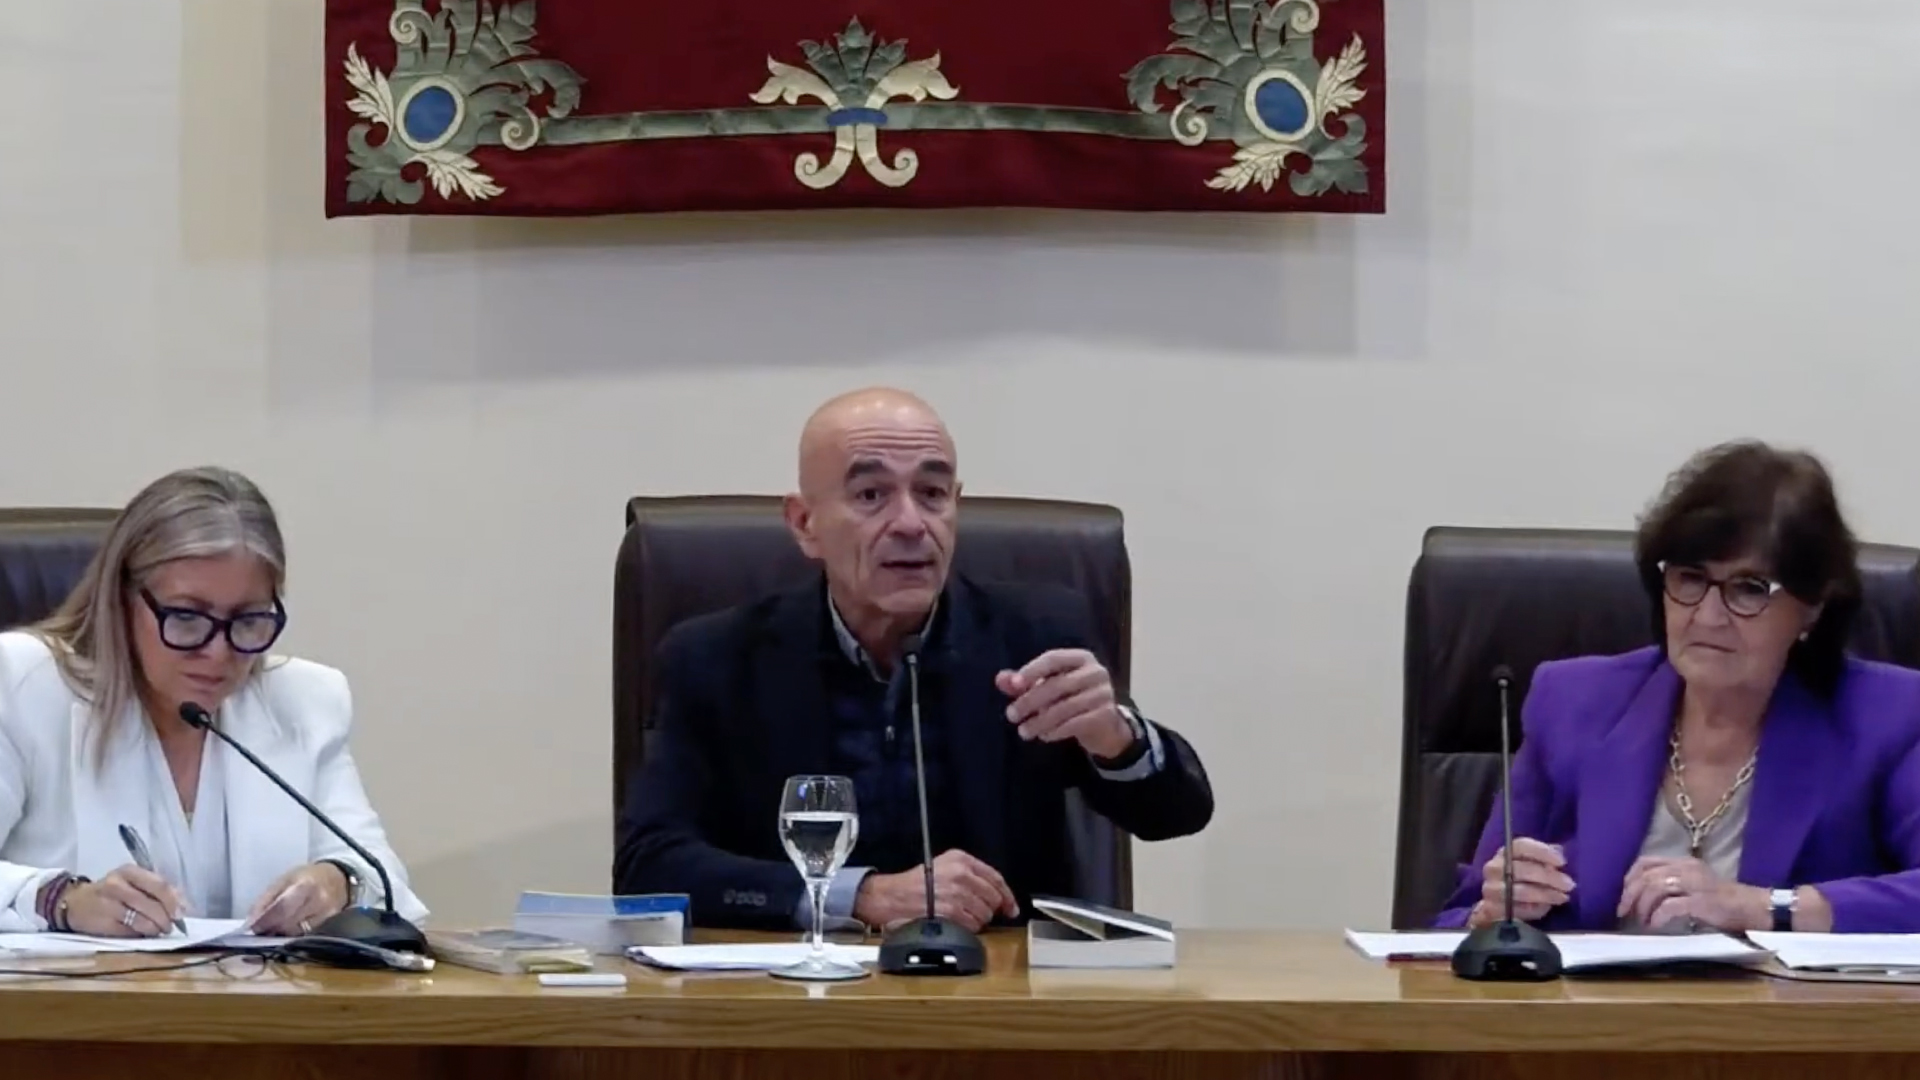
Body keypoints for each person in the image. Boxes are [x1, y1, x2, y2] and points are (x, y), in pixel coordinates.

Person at [615, 388, 1213, 930]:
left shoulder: (1035, 635)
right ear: (805, 524)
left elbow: (1178, 814)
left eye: (931, 494)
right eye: (870, 495)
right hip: (795, 992)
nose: (910, 524)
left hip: (1002, 990)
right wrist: (861, 896)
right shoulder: (717, 659)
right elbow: (648, 866)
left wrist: (1115, 737)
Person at [1434, 440, 1920, 934]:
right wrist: (1492, 915)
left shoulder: (1890, 716)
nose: (1707, 617)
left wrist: (1758, 907)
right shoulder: (1572, 703)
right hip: (1593, 988)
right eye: (1690, 579)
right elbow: (1452, 921)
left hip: (1780, 990)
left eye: (1749, 589)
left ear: (1813, 607)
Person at [0, 467, 426, 937]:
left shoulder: (304, 701)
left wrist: (338, 882)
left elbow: (382, 878)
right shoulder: (23, 684)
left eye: (248, 620)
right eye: (187, 617)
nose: (219, 653)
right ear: (121, 600)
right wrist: (60, 901)